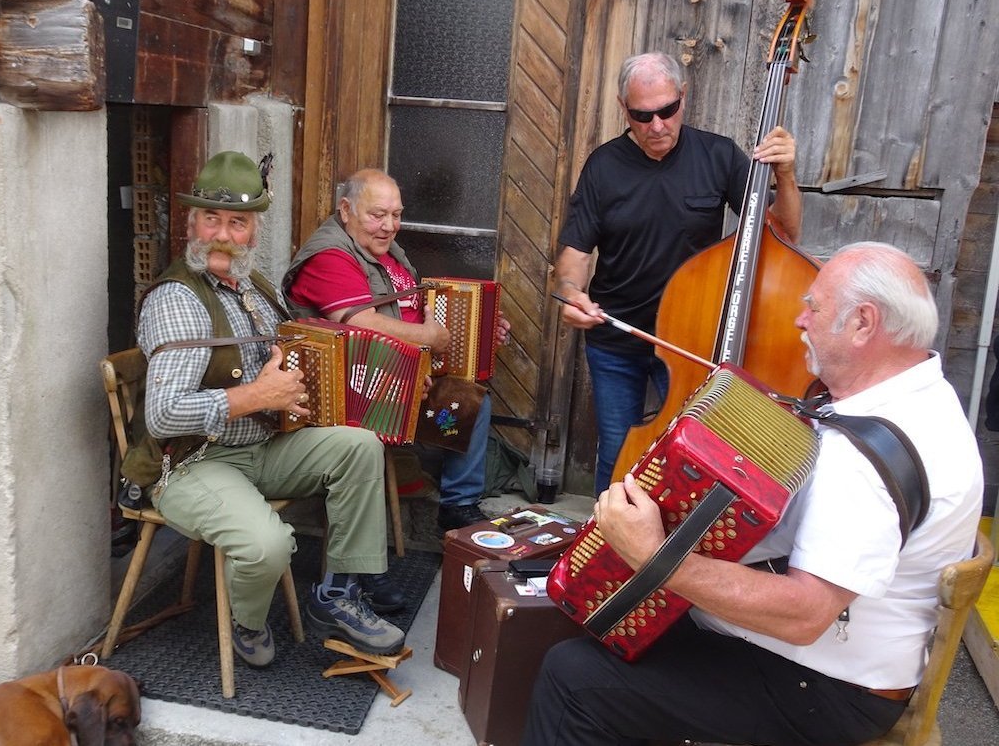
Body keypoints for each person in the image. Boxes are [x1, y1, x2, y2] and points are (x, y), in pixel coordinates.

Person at [522, 242, 983, 746]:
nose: (799, 320)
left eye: (814, 307)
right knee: (606, 618)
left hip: (822, 687)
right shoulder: (925, 399)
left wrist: (655, 557)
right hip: (840, 663)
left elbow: (806, 615)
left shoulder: (864, 464)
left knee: (574, 677)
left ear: (863, 324)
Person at [136, 151, 407, 668]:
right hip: (193, 463)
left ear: (253, 232)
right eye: (211, 219)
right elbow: (163, 416)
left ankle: (338, 595)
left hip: (263, 446)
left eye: (237, 223)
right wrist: (257, 397)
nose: (223, 234)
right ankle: (247, 622)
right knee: (267, 544)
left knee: (359, 445)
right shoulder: (178, 300)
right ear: (191, 223)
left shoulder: (254, 287)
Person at [554, 51, 804, 493]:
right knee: (617, 452)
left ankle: (676, 557)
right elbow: (574, 254)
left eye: (667, 111)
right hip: (618, 338)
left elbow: (783, 232)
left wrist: (784, 176)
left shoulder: (718, 155)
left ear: (683, 98)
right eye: (642, 115)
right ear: (623, 108)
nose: (657, 126)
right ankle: (607, 553)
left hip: (693, 341)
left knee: (695, 456)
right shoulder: (603, 166)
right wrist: (571, 291)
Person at [282, 168, 510, 532]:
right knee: (457, 405)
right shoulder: (329, 257)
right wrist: (429, 337)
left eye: (397, 214)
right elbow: (362, 323)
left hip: (400, 375)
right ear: (345, 209)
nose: (389, 226)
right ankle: (420, 475)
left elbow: (417, 306)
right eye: (378, 215)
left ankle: (457, 503)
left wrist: (477, 329)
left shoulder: (386, 250)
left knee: (470, 401)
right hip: (357, 390)